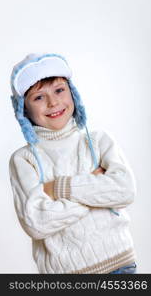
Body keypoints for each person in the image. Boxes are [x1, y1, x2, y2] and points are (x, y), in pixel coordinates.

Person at [9, 52, 137, 274]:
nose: (53, 102)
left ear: (73, 93)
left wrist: (60, 188)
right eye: (39, 97)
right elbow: (37, 221)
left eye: (59, 90)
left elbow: (125, 190)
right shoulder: (24, 159)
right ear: (23, 109)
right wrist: (96, 191)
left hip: (120, 266)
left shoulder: (98, 141)